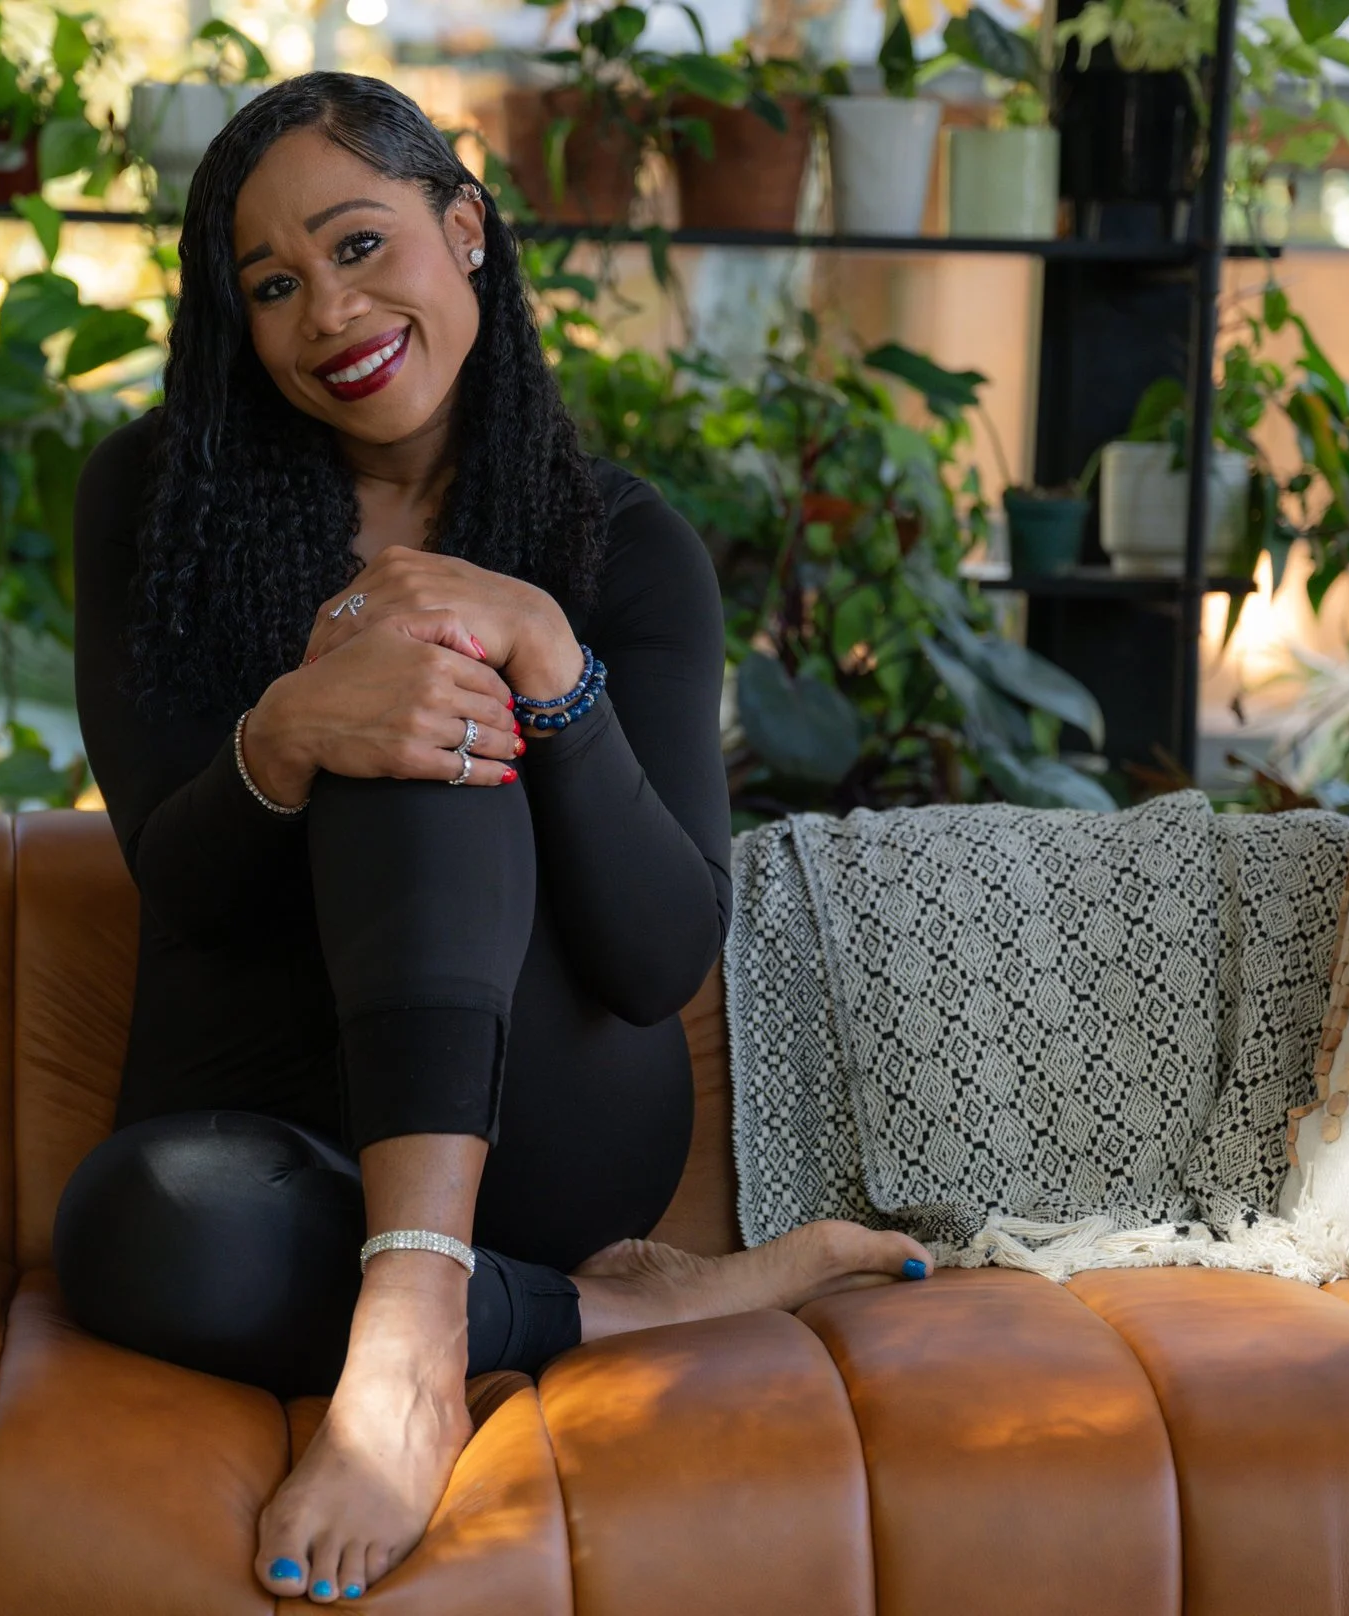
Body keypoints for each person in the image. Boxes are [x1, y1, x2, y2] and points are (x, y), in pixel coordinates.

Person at [60, 71, 931, 1606]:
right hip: (268, 1102)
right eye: (274, 286)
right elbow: (182, 888)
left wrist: (546, 660)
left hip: (543, 1111)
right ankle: (608, 1316)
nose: (327, 311)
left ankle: (401, 1356)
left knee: (430, 702)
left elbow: (660, 949)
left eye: (359, 244)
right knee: (136, 1240)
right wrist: (283, 734)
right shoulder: (156, 504)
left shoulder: (625, 545)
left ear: (464, 228)